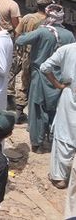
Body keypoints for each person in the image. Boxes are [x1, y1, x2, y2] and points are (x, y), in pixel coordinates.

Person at [16, 4, 75, 153]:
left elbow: (20, 41)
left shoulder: (42, 32)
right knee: (55, 109)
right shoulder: (69, 35)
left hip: (40, 76)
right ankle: (53, 138)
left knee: (37, 109)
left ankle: (37, 144)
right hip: (59, 79)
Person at [40, 42, 76, 189]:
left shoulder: (67, 49)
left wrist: (57, 84)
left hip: (70, 94)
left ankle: (59, 177)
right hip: (69, 94)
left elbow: (44, 67)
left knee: (64, 135)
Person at [13, 0, 53, 122]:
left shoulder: (28, 18)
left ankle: (19, 111)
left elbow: (17, 34)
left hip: (26, 56)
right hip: (42, 56)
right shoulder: (50, 22)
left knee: (24, 81)